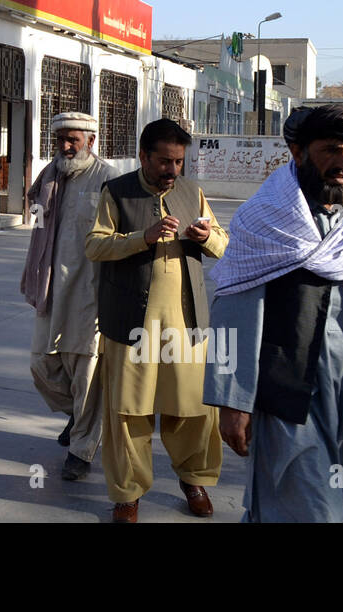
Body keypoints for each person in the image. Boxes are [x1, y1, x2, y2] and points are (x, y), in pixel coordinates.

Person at [204, 104, 343, 522]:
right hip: (289, 390)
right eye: (330, 150)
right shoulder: (264, 221)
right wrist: (232, 400)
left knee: (302, 497)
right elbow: (233, 309)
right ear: (298, 152)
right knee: (312, 508)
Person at [85, 118, 227, 522]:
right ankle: (127, 494)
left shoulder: (192, 193)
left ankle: (193, 479)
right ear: (144, 156)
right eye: (165, 161)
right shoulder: (116, 192)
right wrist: (141, 238)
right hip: (132, 323)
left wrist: (207, 238)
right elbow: (94, 245)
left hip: (186, 323)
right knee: (130, 412)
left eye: (179, 162)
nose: (172, 170)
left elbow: (223, 243)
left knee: (193, 409)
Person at [21, 112, 112, 481]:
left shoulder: (108, 179)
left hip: (89, 292)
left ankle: (82, 450)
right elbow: (36, 220)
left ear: (90, 141)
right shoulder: (49, 177)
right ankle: (78, 414)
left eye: (73, 139)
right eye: (60, 139)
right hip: (51, 288)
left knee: (87, 370)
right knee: (41, 365)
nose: (65, 146)